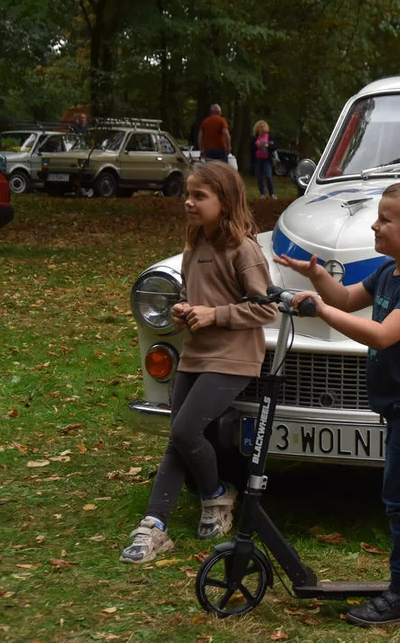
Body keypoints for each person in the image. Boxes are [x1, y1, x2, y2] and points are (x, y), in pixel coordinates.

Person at [275, 182, 400, 627]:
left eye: (384, 219)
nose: (374, 224)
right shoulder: (388, 272)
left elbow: (381, 334)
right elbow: (348, 299)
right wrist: (318, 278)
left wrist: (318, 309)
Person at [120, 161, 277, 564]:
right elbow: (197, 298)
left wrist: (215, 315)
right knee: (178, 436)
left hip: (234, 358)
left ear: (225, 201)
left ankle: (216, 495)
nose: (188, 203)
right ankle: (155, 524)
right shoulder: (195, 248)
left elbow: (265, 312)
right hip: (196, 354)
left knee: (186, 429)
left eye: (199, 196)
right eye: (187, 195)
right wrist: (185, 310)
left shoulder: (245, 250)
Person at [251, 120, 276, 199]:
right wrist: (257, 146)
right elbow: (251, 148)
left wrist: (267, 145)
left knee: (268, 176)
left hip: (267, 159)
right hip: (258, 159)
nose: (262, 129)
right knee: (259, 177)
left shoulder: (269, 136)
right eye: (260, 127)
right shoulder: (254, 137)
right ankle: (262, 193)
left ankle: (272, 193)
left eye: (263, 127)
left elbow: (274, 147)